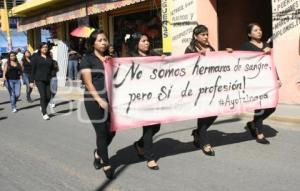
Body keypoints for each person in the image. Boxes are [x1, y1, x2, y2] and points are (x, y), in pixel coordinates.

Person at [80, 30, 115, 179]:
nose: (103, 42)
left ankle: (98, 152)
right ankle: (106, 163)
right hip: (94, 100)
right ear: (93, 43)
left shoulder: (110, 59)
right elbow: (88, 83)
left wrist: (110, 63)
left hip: (111, 99)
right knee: (101, 132)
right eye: (100, 40)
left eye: (105, 39)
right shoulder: (87, 59)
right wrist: (99, 100)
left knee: (112, 130)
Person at [240, 23, 280, 144]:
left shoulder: (266, 44)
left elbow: (270, 63)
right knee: (260, 106)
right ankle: (259, 133)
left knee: (271, 106)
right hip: (254, 80)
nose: (259, 32)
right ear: (249, 34)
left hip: (267, 79)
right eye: (256, 30)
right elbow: (245, 61)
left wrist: (277, 77)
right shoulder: (245, 46)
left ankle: (253, 123)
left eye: (260, 29)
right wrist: (263, 51)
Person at [128, 32, 160, 170]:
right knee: (148, 127)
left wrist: (163, 60)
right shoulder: (130, 58)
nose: (147, 43)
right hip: (141, 97)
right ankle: (150, 158)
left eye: (147, 41)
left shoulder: (153, 55)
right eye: (143, 41)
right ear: (137, 43)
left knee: (157, 126)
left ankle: (139, 145)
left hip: (155, 96)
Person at [185, 25, 217, 156]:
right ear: (195, 36)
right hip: (197, 87)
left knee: (214, 112)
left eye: (206, 34)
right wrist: (198, 56)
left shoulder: (210, 48)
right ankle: (205, 143)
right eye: (203, 34)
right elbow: (187, 66)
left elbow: (219, 61)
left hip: (212, 86)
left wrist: (228, 53)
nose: (206, 37)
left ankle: (198, 133)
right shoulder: (190, 49)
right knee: (203, 114)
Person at [30, 42, 56, 120]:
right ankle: (44, 113)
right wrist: (31, 81)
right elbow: (33, 70)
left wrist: (53, 76)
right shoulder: (36, 58)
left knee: (48, 96)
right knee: (43, 96)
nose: (45, 48)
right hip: (39, 80)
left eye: (46, 47)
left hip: (48, 79)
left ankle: (42, 106)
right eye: (43, 47)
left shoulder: (49, 58)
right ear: (40, 48)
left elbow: (52, 69)